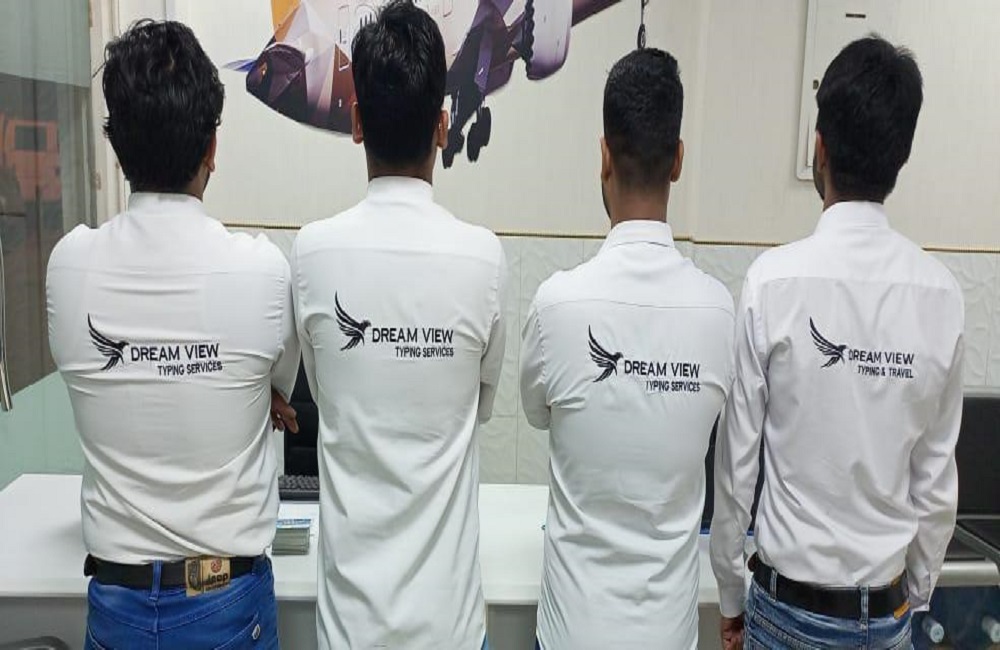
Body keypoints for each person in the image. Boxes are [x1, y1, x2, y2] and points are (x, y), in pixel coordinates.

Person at [46, 20, 299, 650]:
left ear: (115, 145)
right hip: (228, 605)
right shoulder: (262, 272)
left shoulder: (69, 266)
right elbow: (280, 388)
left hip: (117, 606)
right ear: (213, 146)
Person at [710, 36, 963, 650]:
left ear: (818, 147)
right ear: (901, 156)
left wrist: (731, 596)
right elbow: (936, 484)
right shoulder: (940, 296)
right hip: (887, 616)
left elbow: (736, 469)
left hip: (784, 615)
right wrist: (912, 595)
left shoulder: (772, 283)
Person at [289, 2, 507, 648]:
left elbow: (324, 391)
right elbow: (479, 405)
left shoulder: (312, 253)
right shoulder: (483, 258)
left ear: (356, 123)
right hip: (452, 630)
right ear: (443, 126)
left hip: (350, 630)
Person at [520, 48, 735, 650]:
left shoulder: (557, 304)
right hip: (667, 634)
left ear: (604, 157)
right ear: (679, 161)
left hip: (570, 633)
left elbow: (536, 412)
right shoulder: (718, 313)